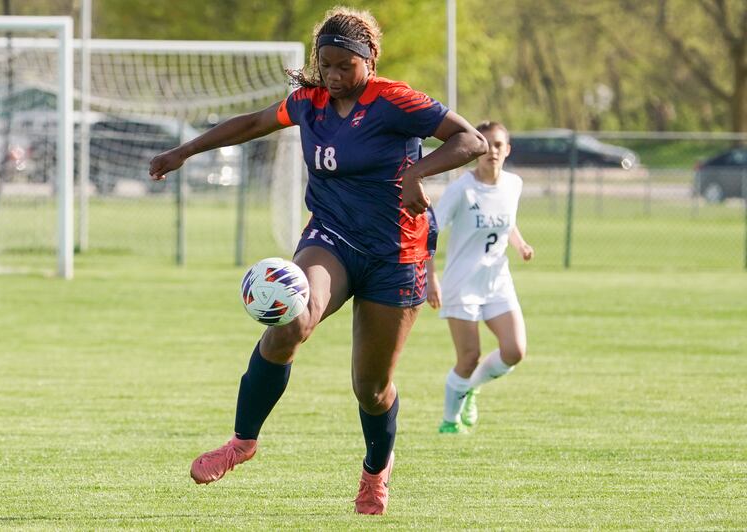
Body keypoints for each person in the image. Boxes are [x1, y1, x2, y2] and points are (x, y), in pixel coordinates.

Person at [149, 6, 487, 515]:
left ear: (369, 59)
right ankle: (242, 442)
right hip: (331, 238)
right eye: (324, 65)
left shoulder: (396, 100)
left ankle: (376, 471)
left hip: (397, 254)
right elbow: (255, 122)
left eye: (343, 66)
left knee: (371, 389)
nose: (332, 75)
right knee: (290, 320)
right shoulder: (310, 103)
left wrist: (419, 173)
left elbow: (470, 140)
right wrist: (185, 151)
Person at [425, 121, 533, 434]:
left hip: (497, 281)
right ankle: (449, 421)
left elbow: (507, 221)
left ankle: (472, 388)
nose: (492, 150)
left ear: (507, 149)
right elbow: (430, 231)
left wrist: (520, 244)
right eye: (485, 144)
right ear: (476, 150)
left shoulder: (514, 184)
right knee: (469, 356)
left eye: (499, 144)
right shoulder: (462, 188)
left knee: (514, 351)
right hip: (462, 282)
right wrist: (432, 279)